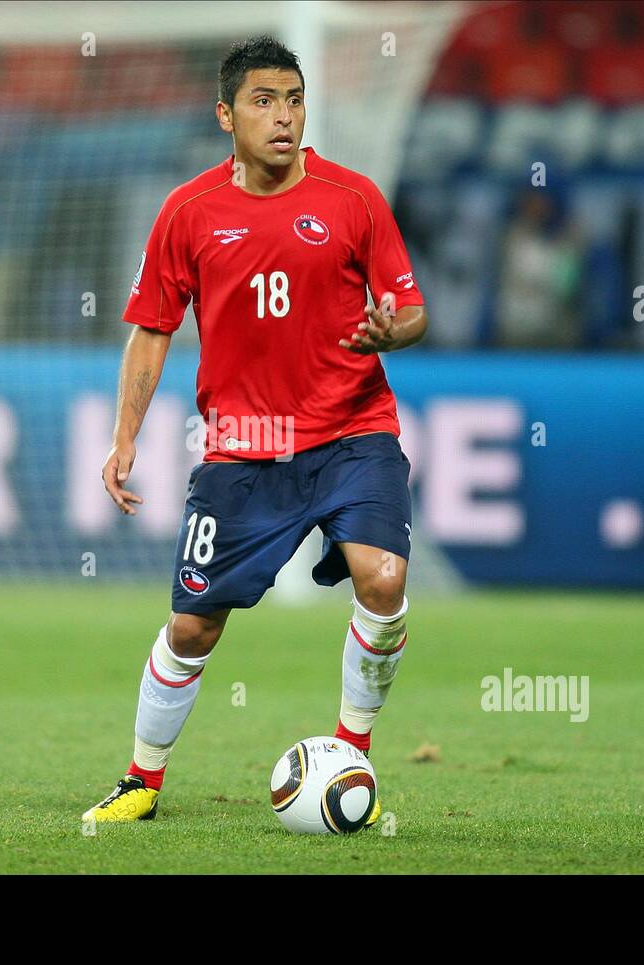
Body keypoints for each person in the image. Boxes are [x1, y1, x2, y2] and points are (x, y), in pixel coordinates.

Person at [83, 35, 429, 824]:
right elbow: (151, 328)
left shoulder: (355, 199)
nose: (284, 117)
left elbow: (410, 309)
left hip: (353, 432)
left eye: (295, 99)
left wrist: (392, 330)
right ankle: (143, 779)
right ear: (225, 115)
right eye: (264, 102)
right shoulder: (189, 211)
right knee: (194, 624)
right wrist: (126, 435)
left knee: (384, 580)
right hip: (245, 448)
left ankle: (352, 763)